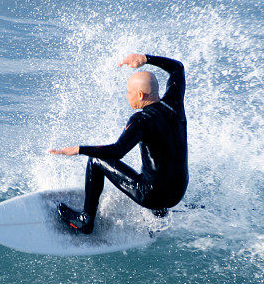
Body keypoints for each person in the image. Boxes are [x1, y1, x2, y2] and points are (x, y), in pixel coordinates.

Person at [48, 53, 188, 234]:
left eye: (129, 92)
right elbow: (177, 68)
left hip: (152, 196)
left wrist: (79, 149)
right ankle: (160, 214)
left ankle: (85, 220)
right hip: (178, 193)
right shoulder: (175, 104)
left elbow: (117, 151)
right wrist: (145, 58)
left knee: (95, 160)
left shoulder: (141, 120)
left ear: (140, 94)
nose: (127, 95)